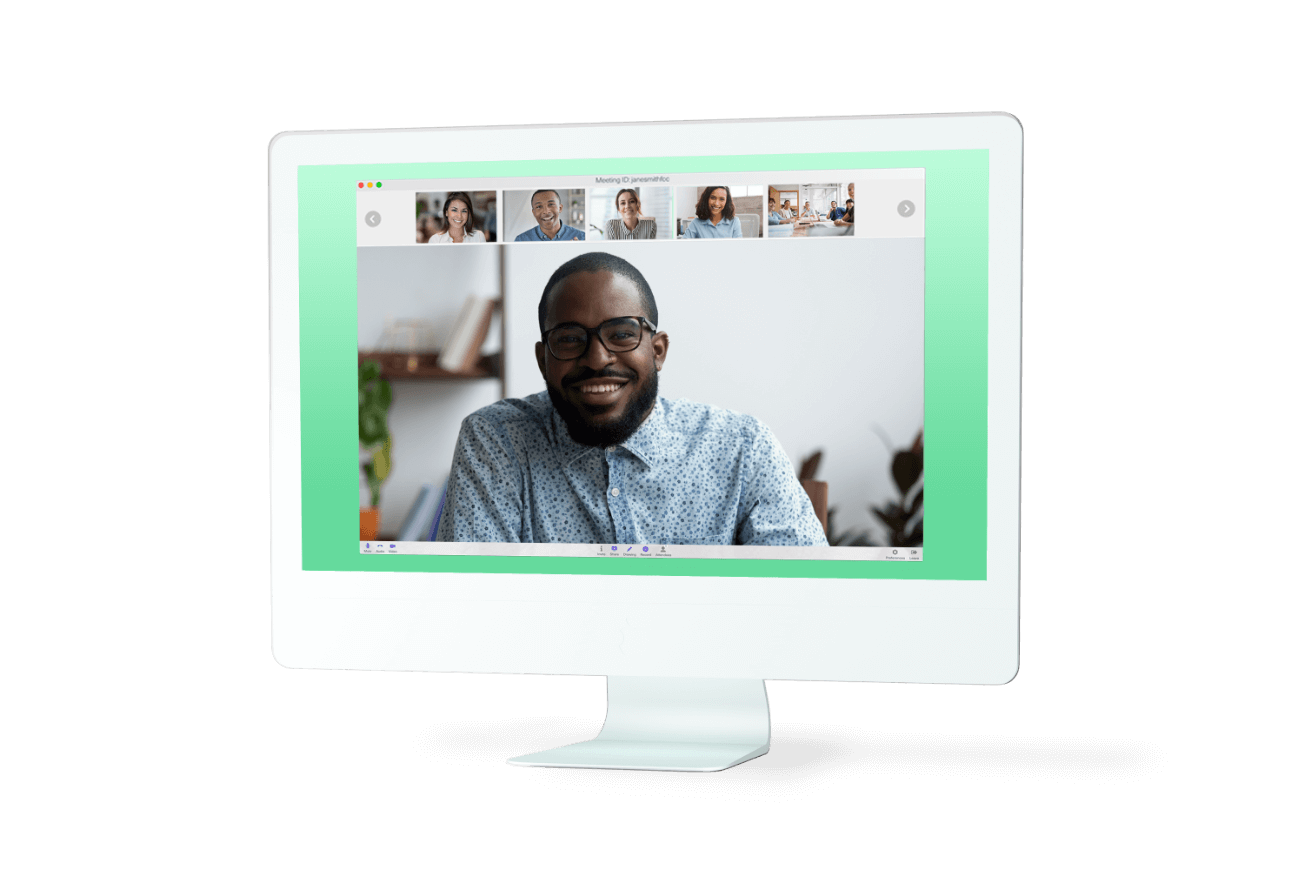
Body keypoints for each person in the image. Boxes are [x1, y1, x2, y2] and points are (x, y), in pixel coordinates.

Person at [435, 252, 827, 547]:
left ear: (658, 351)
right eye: (570, 339)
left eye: (622, 334)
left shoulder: (743, 448)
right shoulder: (497, 441)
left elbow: (805, 602)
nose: (597, 358)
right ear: (543, 359)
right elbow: (477, 607)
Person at [515, 189, 585, 241]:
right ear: (534, 213)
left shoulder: (582, 237)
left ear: (560, 208)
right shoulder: (521, 240)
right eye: (539, 206)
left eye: (551, 204)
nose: (546, 211)